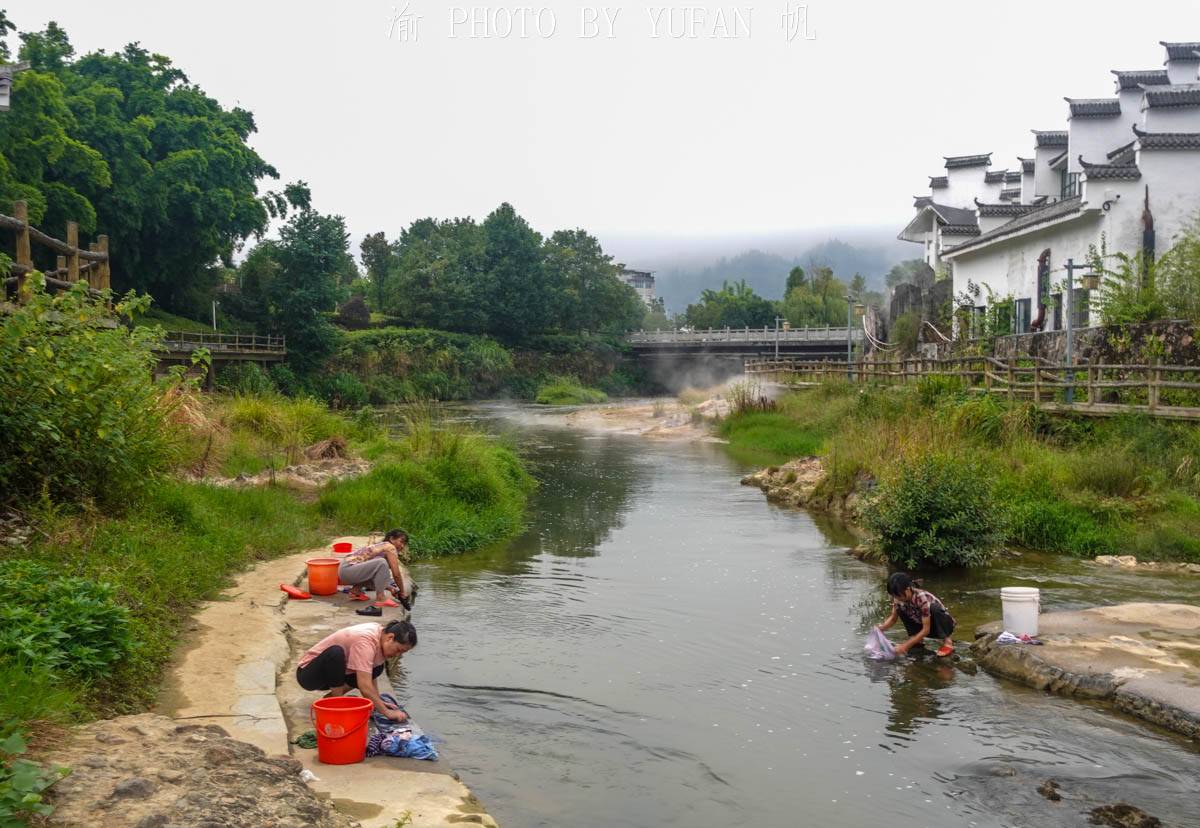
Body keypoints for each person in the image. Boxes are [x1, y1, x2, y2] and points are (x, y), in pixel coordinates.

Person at [295, 619, 417, 723]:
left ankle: (329, 700)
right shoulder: (365, 641)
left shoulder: (380, 636)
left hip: (334, 674)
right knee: (335, 653)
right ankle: (336, 704)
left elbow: (370, 675)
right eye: (398, 650)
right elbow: (364, 686)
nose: (397, 655)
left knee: (377, 669)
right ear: (390, 638)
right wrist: (387, 713)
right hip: (309, 675)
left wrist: (377, 702)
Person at [877, 572, 955, 657]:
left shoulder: (921, 598)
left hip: (942, 625)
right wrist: (881, 628)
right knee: (900, 609)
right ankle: (917, 641)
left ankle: (947, 642)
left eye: (898, 596)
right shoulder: (898, 599)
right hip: (923, 623)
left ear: (907, 590)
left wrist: (905, 646)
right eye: (894, 596)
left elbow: (926, 630)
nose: (896, 598)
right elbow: (893, 618)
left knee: (934, 608)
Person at [339, 529, 412, 617]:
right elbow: (396, 574)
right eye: (401, 541)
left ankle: (356, 591)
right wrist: (402, 593)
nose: (402, 545)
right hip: (348, 570)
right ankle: (380, 598)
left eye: (404, 544)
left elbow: (373, 575)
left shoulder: (381, 547)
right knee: (381, 562)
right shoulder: (390, 547)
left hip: (345, 571)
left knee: (379, 564)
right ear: (392, 539)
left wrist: (390, 588)